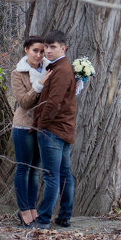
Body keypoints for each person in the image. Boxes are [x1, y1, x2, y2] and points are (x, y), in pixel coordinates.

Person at [32, 29, 77, 229]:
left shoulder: (61, 70)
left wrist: (41, 125)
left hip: (53, 130)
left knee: (52, 176)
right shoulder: (60, 67)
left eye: (53, 47)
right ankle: (64, 216)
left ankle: (42, 220)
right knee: (64, 174)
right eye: (46, 47)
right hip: (63, 129)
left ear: (63, 48)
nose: (48, 51)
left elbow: (54, 103)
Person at [10, 36, 46, 227]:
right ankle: (23, 210)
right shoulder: (18, 73)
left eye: (41, 51)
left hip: (42, 127)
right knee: (23, 168)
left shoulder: (48, 69)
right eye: (35, 51)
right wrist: (40, 85)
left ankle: (33, 209)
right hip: (24, 126)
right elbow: (24, 102)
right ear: (26, 50)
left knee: (35, 171)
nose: (39, 55)